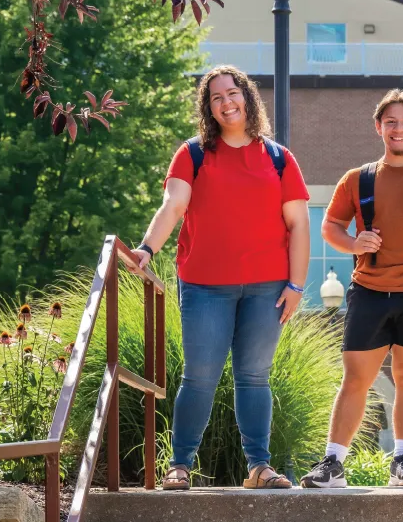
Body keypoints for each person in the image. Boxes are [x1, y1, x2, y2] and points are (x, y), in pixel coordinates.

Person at [130, 65, 310, 490]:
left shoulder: (280, 158)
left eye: (232, 93)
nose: (226, 102)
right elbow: (173, 206)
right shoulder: (193, 153)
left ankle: (259, 467)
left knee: (254, 376)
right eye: (216, 97)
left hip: (267, 287)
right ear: (208, 108)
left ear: (246, 96)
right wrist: (146, 247)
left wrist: (297, 285)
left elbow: (299, 225)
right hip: (205, 285)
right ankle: (179, 464)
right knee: (200, 375)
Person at [299, 89, 403, 488]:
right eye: (390, 121)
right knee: (355, 379)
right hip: (369, 290)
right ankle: (333, 464)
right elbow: (330, 227)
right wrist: (354, 244)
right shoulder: (358, 180)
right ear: (379, 128)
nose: (399, 128)